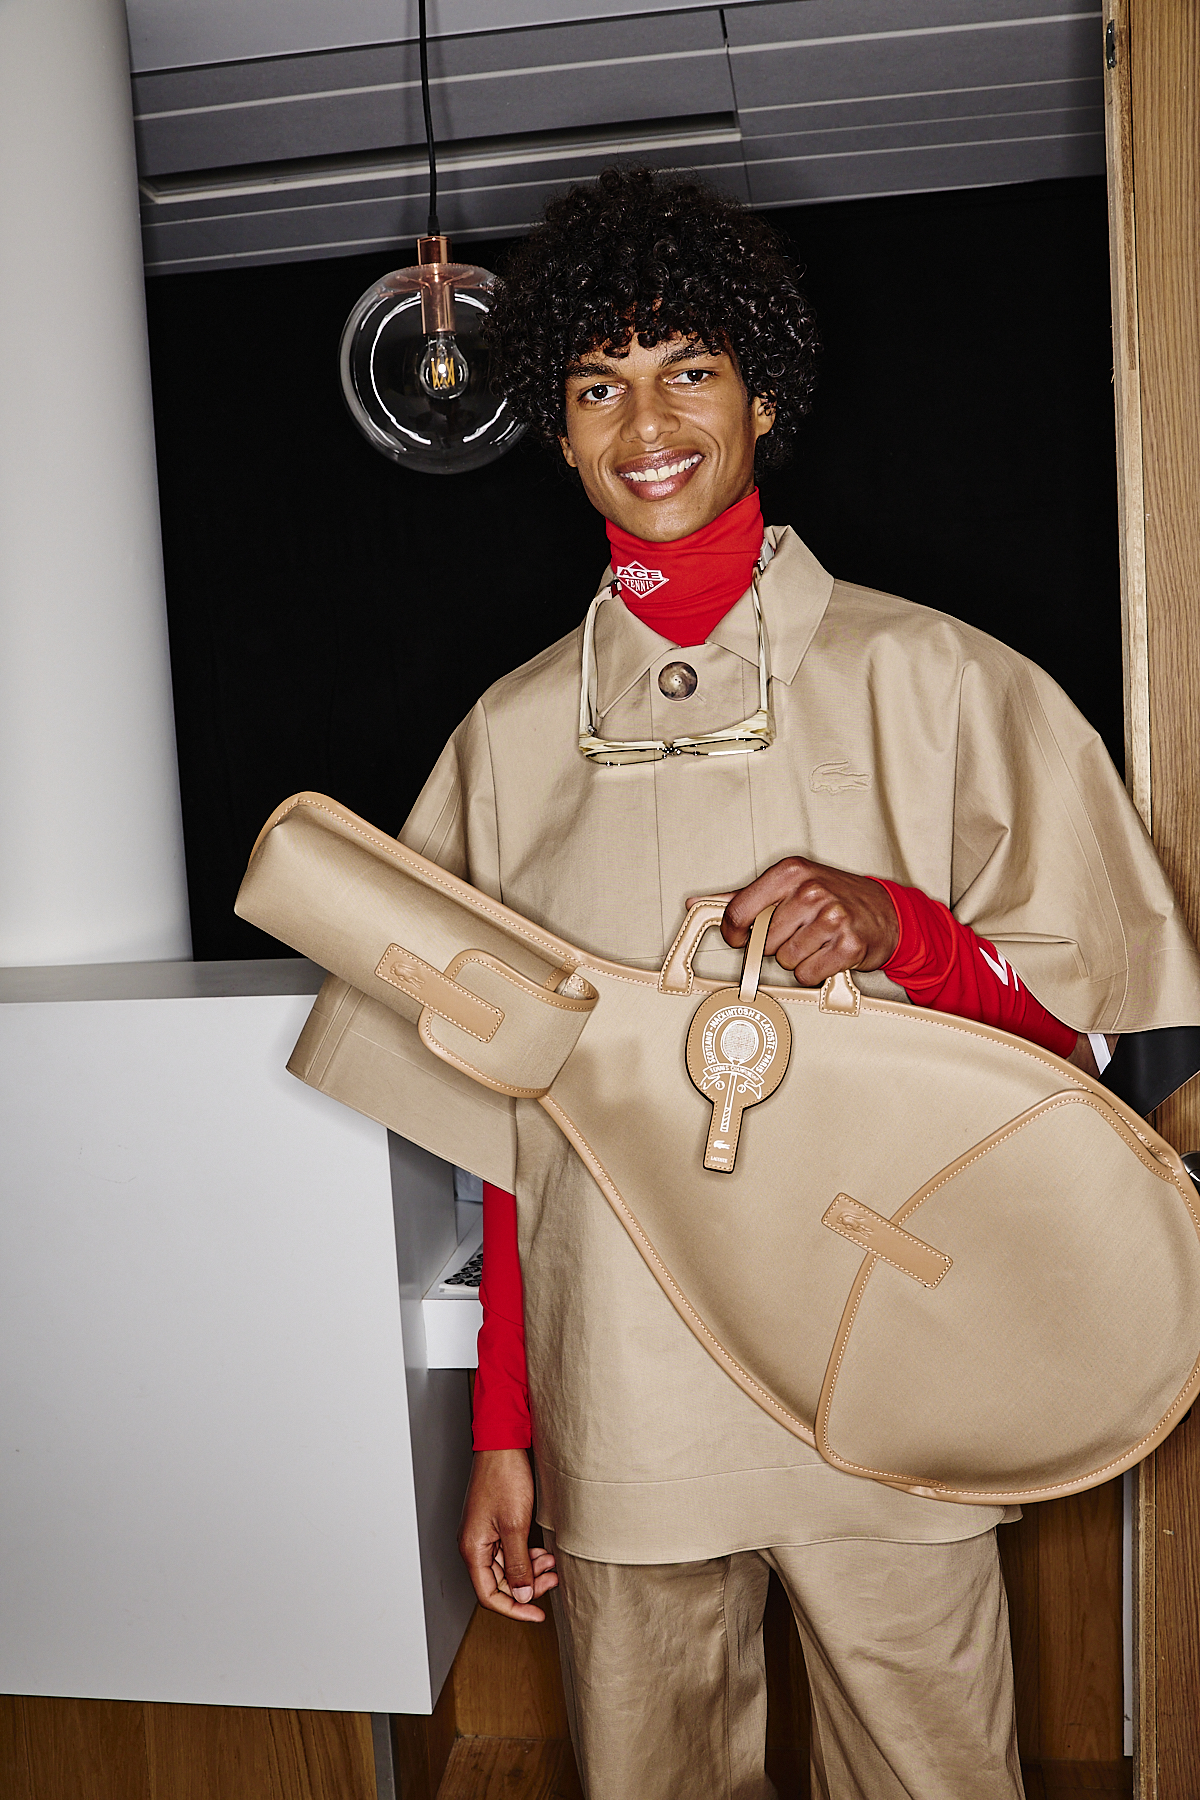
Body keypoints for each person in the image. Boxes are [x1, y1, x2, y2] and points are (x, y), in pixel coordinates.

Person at [390, 167, 1200, 1798]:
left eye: (689, 368)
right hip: (624, 1383)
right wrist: (507, 1433)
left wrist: (903, 929)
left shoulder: (940, 678)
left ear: (763, 394)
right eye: (598, 386)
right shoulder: (506, 743)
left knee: (933, 1773)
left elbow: (1097, 1042)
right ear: (557, 433)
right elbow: (513, 1135)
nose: (647, 424)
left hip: (886, 1344)